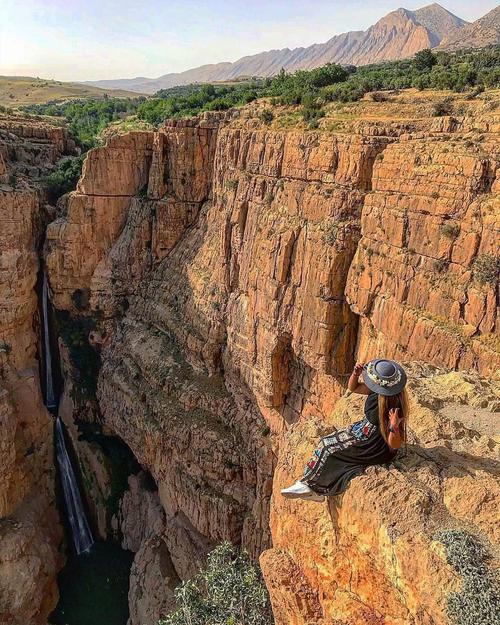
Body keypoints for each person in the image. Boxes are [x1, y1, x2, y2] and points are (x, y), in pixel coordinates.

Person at [281, 359, 409, 502]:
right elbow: (354, 388)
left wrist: (394, 425)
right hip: (365, 432)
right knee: (327, 443)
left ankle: (310, 487)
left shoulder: (394, 406)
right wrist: (355, 374)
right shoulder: (379, 392)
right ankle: (310, 485)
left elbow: (395, 445)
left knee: (327, 447)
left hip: (375, 445)